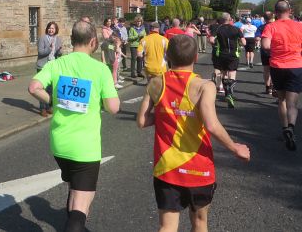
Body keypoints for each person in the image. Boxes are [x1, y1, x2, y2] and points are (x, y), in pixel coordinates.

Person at [137, 35, 250, 232]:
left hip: (167, 167)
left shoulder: (155, 83)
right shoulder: (205, 86)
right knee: (199, 222)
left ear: (167, 56)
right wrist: (235, 147)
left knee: (166, 226)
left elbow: (141, 121)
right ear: (196, 57)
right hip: (199, 168)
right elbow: (211, 124)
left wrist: (166, 113)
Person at [28, 20, 120, 232]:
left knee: (74, 189)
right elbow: (113, 107)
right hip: (85, 148)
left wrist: (52, 100)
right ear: (93, 42)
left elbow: (33, 86)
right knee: (81, 207)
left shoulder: (57, 64)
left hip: (59, 145)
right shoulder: (99, 69)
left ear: (71, 41)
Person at [261, 0, 302, 151]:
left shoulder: (271, 26)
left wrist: (276, 52)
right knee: (293, 104)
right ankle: (291, 127)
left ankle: (285, 128)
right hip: (296, 66)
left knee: (281, 100)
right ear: (290, 11)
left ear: (275, 12)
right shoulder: (299, 26)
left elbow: (265, 46)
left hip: (278, 66)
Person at [208, 13, 245, 109]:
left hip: (221, 54)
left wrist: (217, 43)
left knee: (224, 74)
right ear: (230, 19)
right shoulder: (236, 29)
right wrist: (239, 43)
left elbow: (211, 40)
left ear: (221, 19)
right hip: (233, 55)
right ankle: (230, 94)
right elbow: (244, 42)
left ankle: (226, 93)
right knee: (232, 74)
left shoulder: (218, 29)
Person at [36, 21, 63, 116]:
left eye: (53, 28)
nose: (51, 30)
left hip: (53, 66)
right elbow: (40, 52)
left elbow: (58, 54)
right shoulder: (42, 38)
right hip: (43, 66)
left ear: (56, 30)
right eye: (49, 28)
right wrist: (50, 48)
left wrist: (59, 51)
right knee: (42, 88)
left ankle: (49, 106)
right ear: (47, 29)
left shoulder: (58, 39)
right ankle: (42, 108)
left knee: (51, 88)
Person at [257, 12, 275, 94]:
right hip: (275, 50)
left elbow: (257, 38)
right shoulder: (277, 26)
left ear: (263, 18)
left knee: (266, 70)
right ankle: (273, 85)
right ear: (273, 16)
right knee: (275, 69)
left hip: (265, 51)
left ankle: (267, 87)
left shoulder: (261, 27)